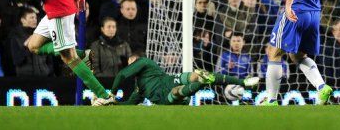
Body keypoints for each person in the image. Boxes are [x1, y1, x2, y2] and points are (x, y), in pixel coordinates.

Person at [106, 51, 259, 105]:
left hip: (167, 80)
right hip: (164, 96)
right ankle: (201, 83)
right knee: (176, 91)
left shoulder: (145, 62)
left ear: (138, 60)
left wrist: (111, 93)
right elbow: (130, 104)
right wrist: (112, 104)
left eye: (132, 62)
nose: (131, 66)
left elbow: (121, 74)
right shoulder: (139, 88)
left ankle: (242, 82)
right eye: (129, 64)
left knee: (193, 75)